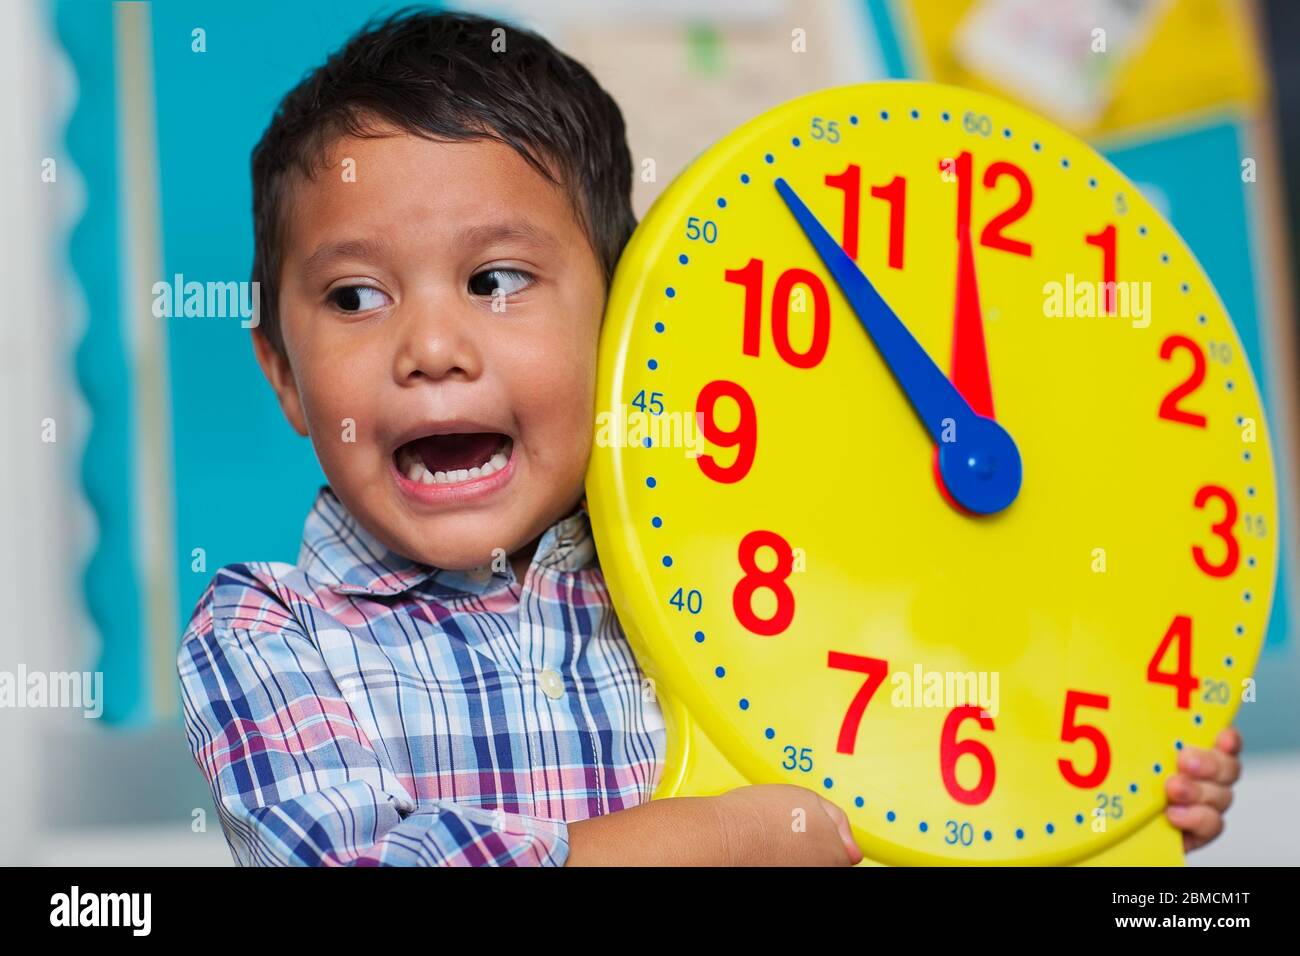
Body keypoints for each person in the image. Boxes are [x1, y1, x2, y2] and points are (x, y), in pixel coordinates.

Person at [177, 8, 1241, 866]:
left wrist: (1119, 790)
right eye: (356, 296)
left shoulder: (720, 559)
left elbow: (941, 756)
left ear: (621, 317)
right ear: (283, 374)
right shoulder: (265, 630)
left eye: (496, 280)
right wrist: (725, 836)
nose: (433, 345)